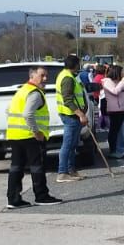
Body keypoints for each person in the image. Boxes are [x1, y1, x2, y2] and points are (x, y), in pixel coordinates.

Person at [5, 65, 64, 209]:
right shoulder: (35, 93)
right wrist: (36, 131)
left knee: (16, 168)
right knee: (37, 166)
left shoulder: (22, 90)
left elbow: (8, 110)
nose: (45, 79)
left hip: (15, 135)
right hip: (30, 137)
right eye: (42, 75)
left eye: (46, 75)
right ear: (32, 76)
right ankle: (41, 196)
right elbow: (27, 114)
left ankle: (13, 198)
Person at [53, 54, 89, 182]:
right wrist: (80, 114)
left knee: (72, 144)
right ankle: (62, 172)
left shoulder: (70, 76)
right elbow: (68, 99)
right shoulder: (67, 78)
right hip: (70, 115)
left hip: (73, 115)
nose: (79, 66)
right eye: (78, 64)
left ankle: (71, 170)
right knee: (68, 144)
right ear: (74, 65)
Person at [99, 65, 124, 158]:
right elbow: (115, 91)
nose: (123, 74)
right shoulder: (107, 81)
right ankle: (113, 151)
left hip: (121, 110)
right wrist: (123, 81)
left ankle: (119, 150)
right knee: (114, 131)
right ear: (116, 72)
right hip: (114, 110)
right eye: (122, 72)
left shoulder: (118, 82)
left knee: (120, 131)